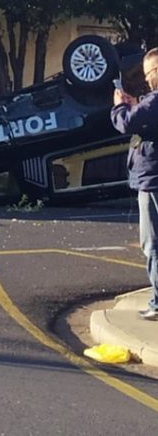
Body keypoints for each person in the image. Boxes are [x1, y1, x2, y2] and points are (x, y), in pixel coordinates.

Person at [111, 47, 158, 321]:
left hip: (152, 182)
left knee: (152, 244)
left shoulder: (155, 101)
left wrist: (119, 105)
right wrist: (134, 105)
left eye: (149, 73)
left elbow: (128, 123)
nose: (147, 79)